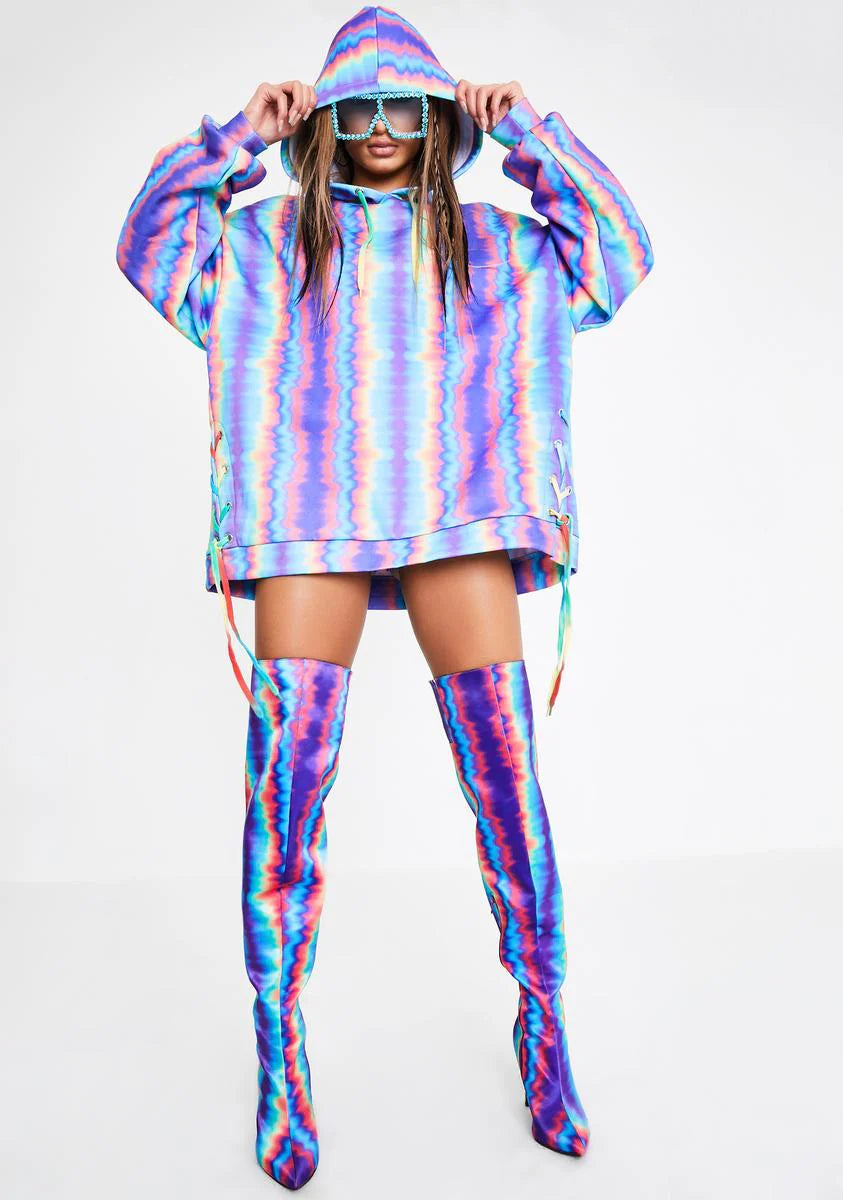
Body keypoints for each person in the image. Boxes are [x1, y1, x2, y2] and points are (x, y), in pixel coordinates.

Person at [116, 4, 653, 1189]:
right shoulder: (260, 242)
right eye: (357, 106)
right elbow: (147, 248)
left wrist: (535, 137)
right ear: (327, 118)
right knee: (287, 787)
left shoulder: (500, 244)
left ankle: (545, 1021)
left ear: (439, 116)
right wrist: (235, 141)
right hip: (309, 515)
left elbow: (619, 258)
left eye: (405, 105)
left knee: (507, 777)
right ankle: (280, 1043)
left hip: (461, 506)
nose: (379, 127)